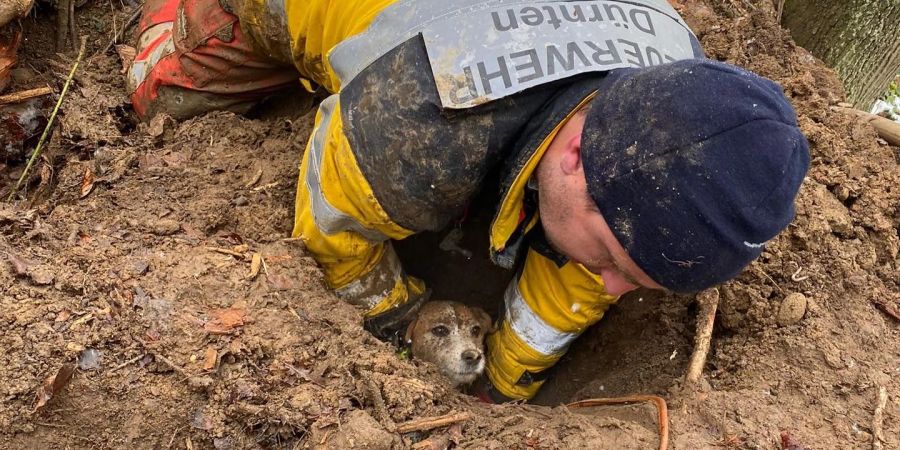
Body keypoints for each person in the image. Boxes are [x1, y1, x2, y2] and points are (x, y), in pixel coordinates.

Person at [126, 0, 810, 402]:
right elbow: (333, 235)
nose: (611, 287)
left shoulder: (676, 102)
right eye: (611, 259)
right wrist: (402, 317)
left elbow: (593, 263)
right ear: (575, 155)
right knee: (159, 95)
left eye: (636, 279)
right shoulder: (415, 128)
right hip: (334, 22)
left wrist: (503, 384)